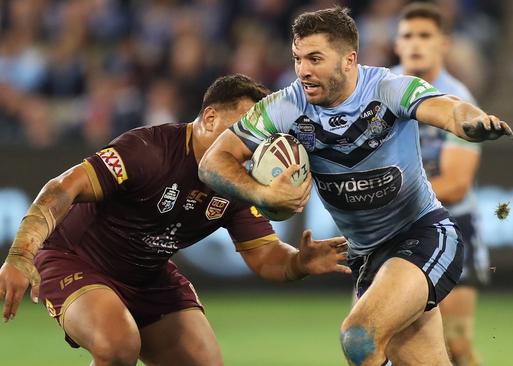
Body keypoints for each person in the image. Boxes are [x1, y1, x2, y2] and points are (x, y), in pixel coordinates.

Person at [198, 7, 513, 366]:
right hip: (368, 258)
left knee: (360, 337)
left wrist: (472, 123)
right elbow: (213, 162)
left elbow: (450, 108)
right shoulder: (285, 106)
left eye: (315, 58)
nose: (303, 70)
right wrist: (262, 193)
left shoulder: (389, 88)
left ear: (349, 60)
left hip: (424, 235)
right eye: (298, 58)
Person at [0, 74, 350, 366]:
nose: (248, 145)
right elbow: (62, 188)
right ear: (210, 118)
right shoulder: (149, 150)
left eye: (256, 135)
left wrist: (300, 262)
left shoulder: (238, 182)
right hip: (74, 260)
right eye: (242, 130)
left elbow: (265, 257)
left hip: (147, 276)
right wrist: (21, 253)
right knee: (118, 346)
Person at [392, 3, 488, 365]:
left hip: (453, 225)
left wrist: (383, 192)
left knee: (456, 344)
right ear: (396, 44)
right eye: (407, 36)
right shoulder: (379, 89)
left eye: (425, 36)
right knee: (372, 337)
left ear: (444, 44)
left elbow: (457, 184)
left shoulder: (461, 102)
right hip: (392, 231)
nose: (415, 44)